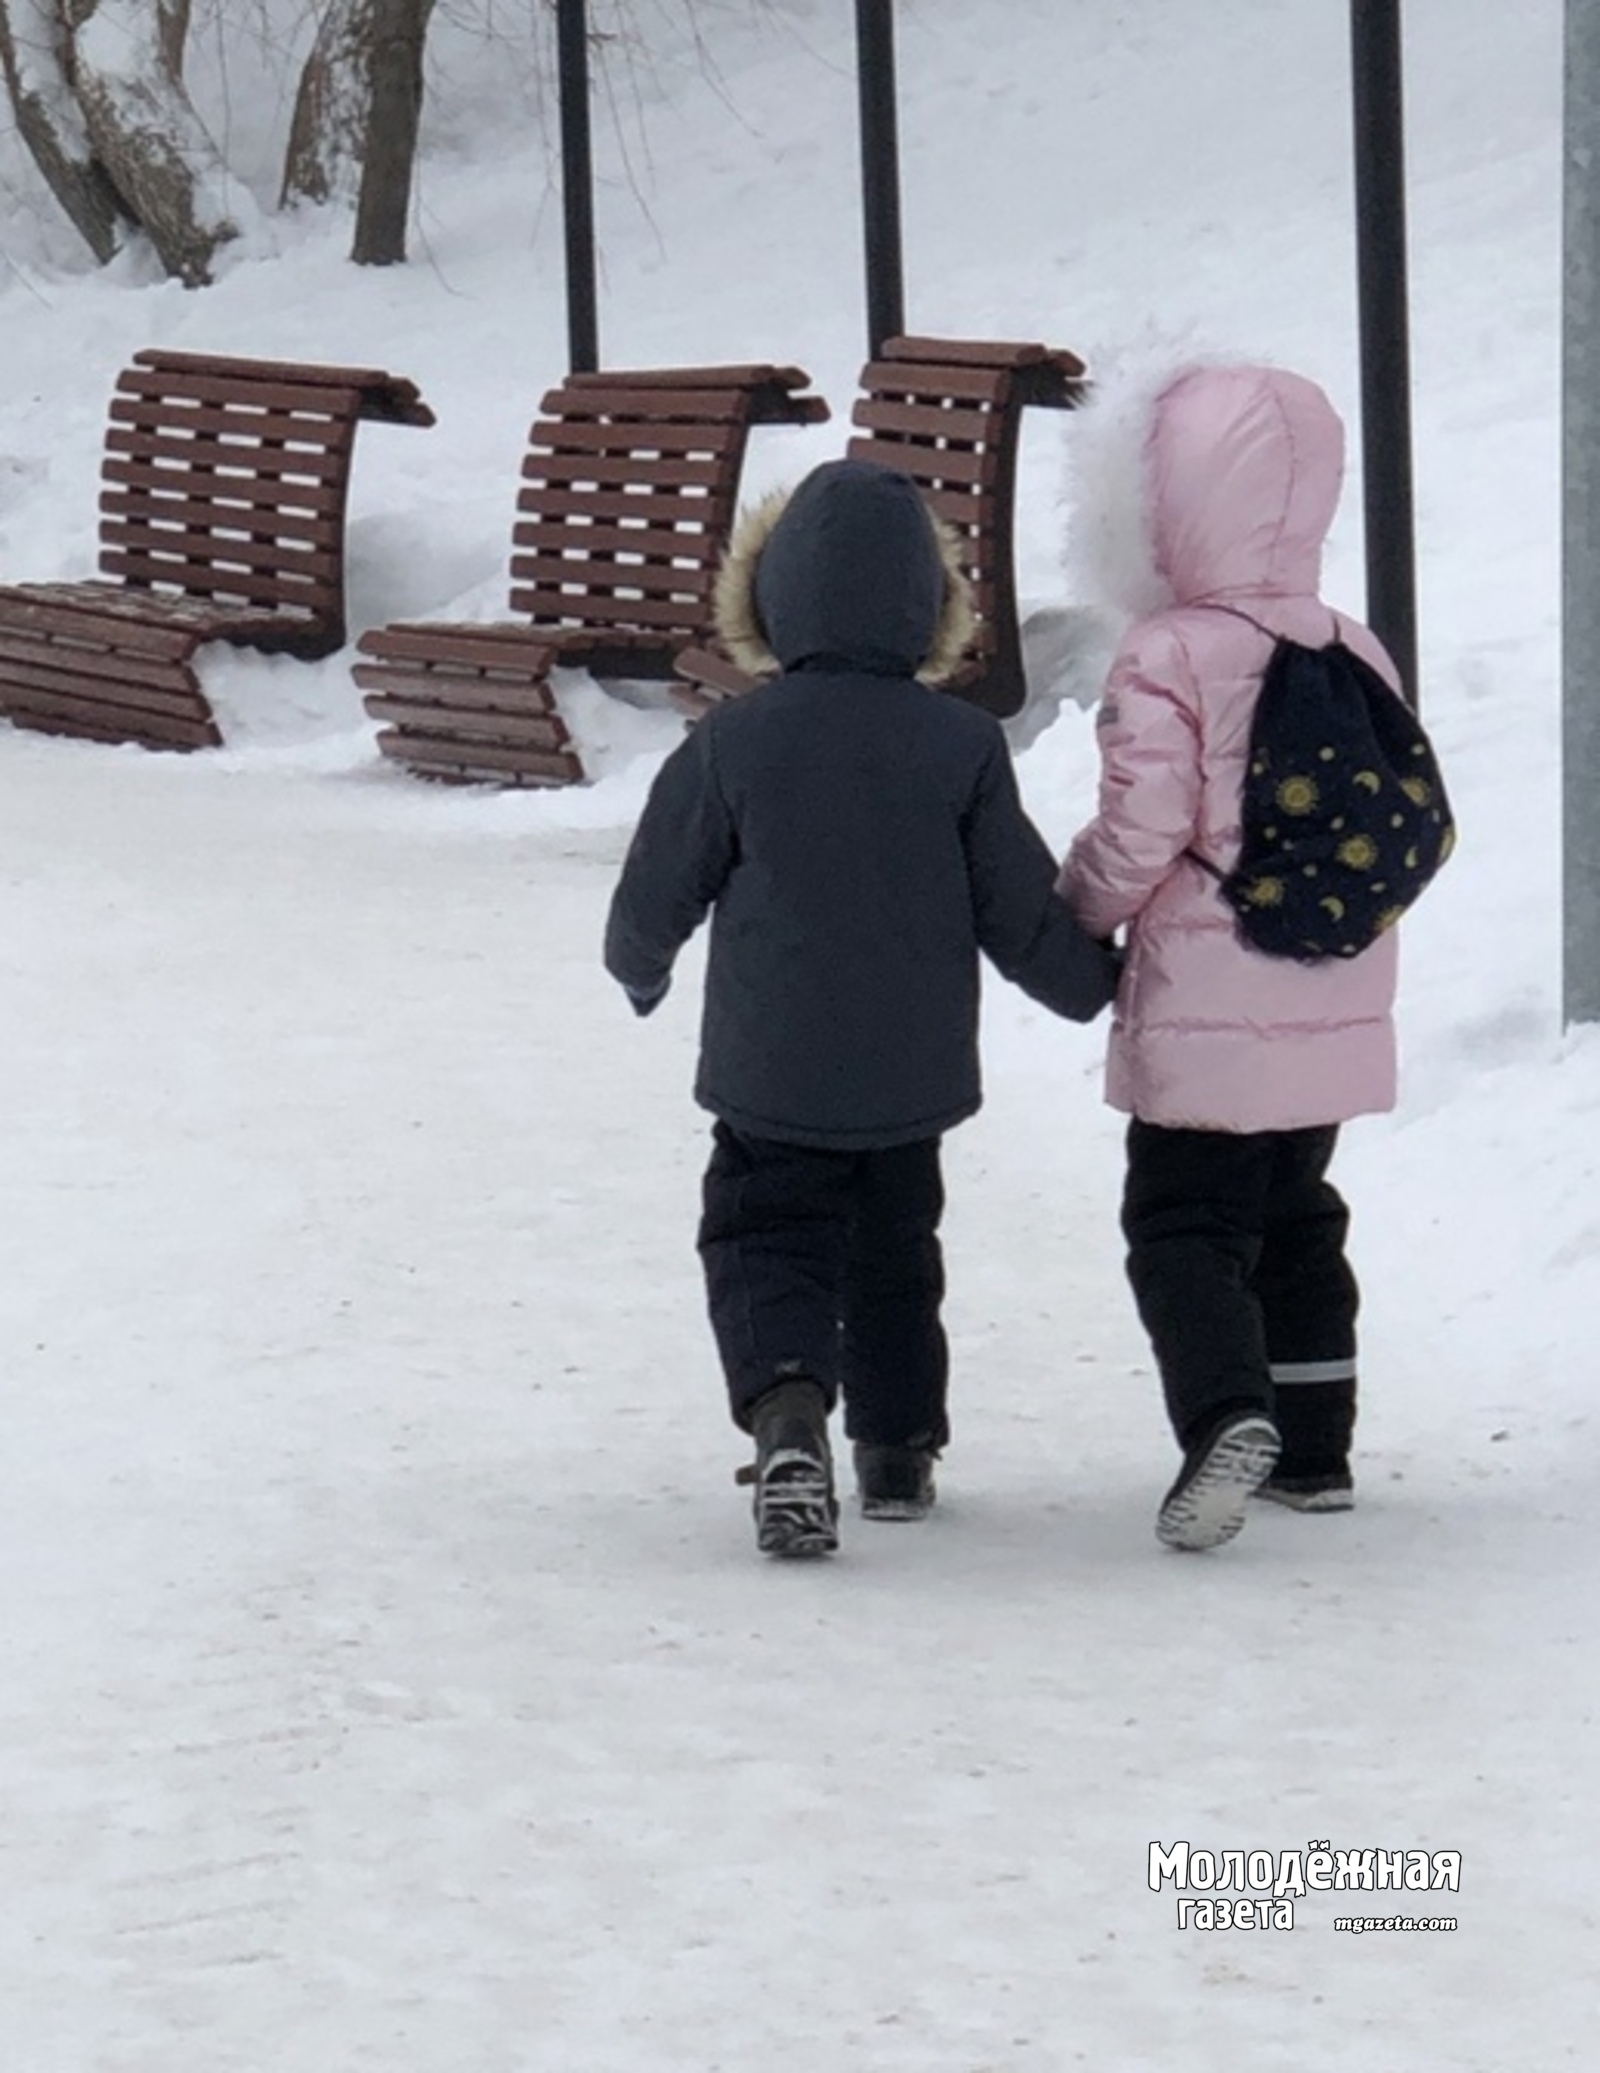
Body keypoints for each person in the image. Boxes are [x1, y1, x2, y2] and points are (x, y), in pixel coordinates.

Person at [605, 458, 1120, 1557]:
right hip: (909, 1077)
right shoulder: (961, 746)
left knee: (765, 1238)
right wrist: (1096, 987)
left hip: (768, 1070)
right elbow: (1016, 904)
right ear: (929, 608)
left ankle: (789, 1406)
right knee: (896, 1252)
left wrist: (638, 967)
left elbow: (660, 878)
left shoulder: (734, 739)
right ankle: (897, 1449)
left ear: (769, 599)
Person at [1059, 362, 1401, 1552]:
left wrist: (1077, 905)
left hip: (1206, 999)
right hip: (1335, 985)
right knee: (1298, 1211)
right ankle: (1315, 1450)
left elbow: (1144, 830)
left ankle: (1222, 1417)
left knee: (1182, 1223)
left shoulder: (1168, 652)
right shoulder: (1354, 646)